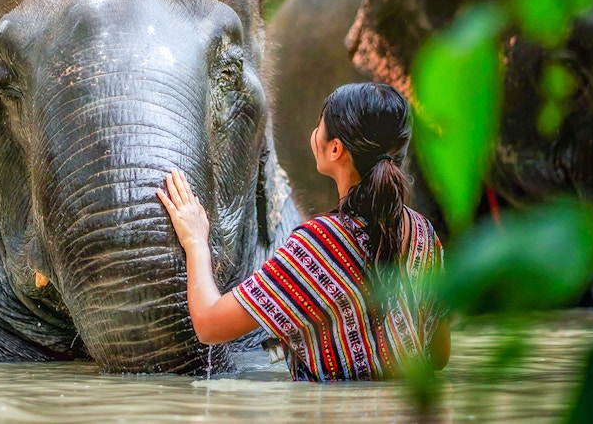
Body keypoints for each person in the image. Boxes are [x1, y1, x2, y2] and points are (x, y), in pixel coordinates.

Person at [158, 82, 450, 381]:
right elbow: (439, 355)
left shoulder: (319, 243)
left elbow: (209, 326)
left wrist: (195, 243)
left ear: (335, 149)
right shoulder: (423, 233)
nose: (314, 134)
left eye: (319, 125)